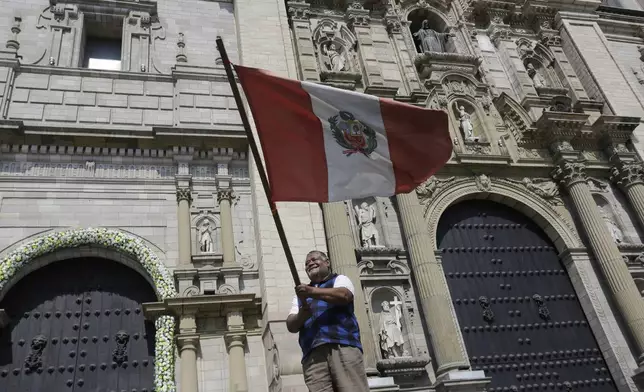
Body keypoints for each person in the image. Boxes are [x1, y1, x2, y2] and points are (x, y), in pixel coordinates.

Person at [287, 250, 369, 392]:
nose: (310, 263)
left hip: (342, 346)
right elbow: (291, 325)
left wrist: (311, 292)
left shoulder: (339, 280)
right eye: (307, 263)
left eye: (314, 259)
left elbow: (344, 295)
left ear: (327, 263)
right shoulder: (299, 297)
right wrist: (302, 314)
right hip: (313, 355)